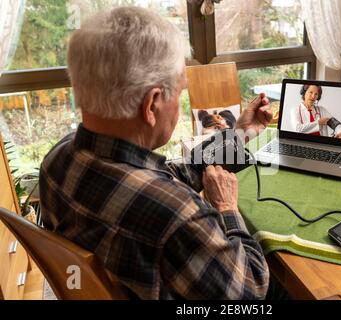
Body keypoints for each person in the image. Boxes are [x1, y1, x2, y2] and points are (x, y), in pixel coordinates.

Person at [39, 6, 273, 300]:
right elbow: (250, 290)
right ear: (151, 105)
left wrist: (241, 134)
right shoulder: (178, 217)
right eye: (179, 93)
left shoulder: (57, 159)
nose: (179, 103)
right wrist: (227, 208)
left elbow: (166, 176)